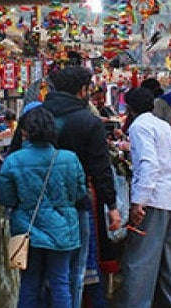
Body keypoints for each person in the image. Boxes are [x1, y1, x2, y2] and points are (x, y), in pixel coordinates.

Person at [42, 66, 121, 307]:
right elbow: (101, 167)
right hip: (78, 199)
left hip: (40, 200)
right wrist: (112, 206)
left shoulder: (36, 116)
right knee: (80, 265)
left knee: (43, 267)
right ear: (82, 90)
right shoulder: (88, 121)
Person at [0, 107, 86, 308]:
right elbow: (79, 193)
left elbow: (7, 199)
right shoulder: (69, 158)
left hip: (27, 231)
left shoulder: (13, 161)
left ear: (25, 132)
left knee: (29, 283)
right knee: (60, 282)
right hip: (63, 229)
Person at [119, 87, 171, 308]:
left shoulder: (139, 127)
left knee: (140, 260)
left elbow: (148, 163)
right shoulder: (162, 125)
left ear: (130, 108)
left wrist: (139, 201)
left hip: (153, 199)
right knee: (168, 260)